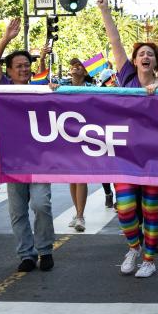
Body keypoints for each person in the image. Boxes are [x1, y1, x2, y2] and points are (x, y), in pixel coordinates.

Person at [99, 0, 158, 278]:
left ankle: (149, 260)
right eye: (141, 53)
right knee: (125, 208)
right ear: (134, 60)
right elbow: (115, 41)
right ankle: (133, 248)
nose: (145, 57)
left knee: (151, 211)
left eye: (150, 55)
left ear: (155, 63)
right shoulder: (126, 77)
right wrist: (105, 11)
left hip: (154, 158)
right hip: (126, 157)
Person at [0, 18, 55, 273]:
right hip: (12, 159)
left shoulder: (39, 88)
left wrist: (54, 90)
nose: (24, 69)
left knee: (41, 204)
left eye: (27, 65)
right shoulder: (2, 86)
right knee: (17, 211)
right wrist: (6, 38)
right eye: (19, 66)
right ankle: (26, 255)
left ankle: (45, 250)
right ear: (9, 71)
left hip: (39, 159)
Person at [60, 57, 102, 232]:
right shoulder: (61, 85)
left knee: (81, 176)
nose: (75, 68)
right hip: (67, 136)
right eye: (73, 66)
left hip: (86, 135)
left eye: (79, 66)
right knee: (72, 177)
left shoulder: (93, 89)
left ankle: (80, 216)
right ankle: (77, 213)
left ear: (86, 72)